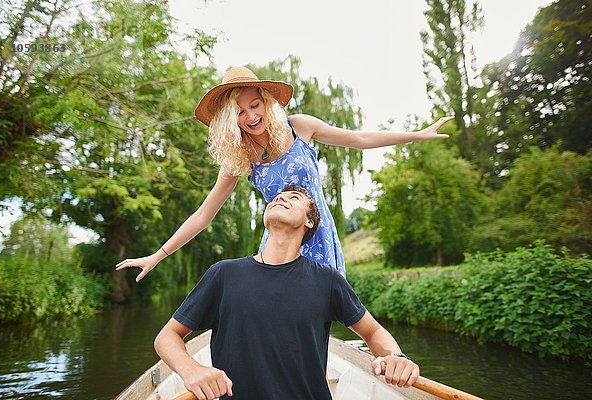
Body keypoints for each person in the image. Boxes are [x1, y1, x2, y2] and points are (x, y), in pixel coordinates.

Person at [116, 66, 452, 279]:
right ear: (228, 120)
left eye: (254, 105)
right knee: (278, 315)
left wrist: (417, 134)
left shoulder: (300, 127)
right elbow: (204, 214)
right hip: (278, 244)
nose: (249, 117)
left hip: (317, 234)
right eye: (239, 112)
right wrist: (157, 255)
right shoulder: (240, 157)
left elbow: (361, 139)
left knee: (320, 313)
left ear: (266, 102)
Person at [154, 185, 420, 400]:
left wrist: (395, 357)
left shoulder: (327, 280)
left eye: (293, 197)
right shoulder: (223, 274)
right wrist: (191, 370)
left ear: (309, 221)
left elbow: (372, 332)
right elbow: (167, 336)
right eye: (277, 197)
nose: (280, 198)